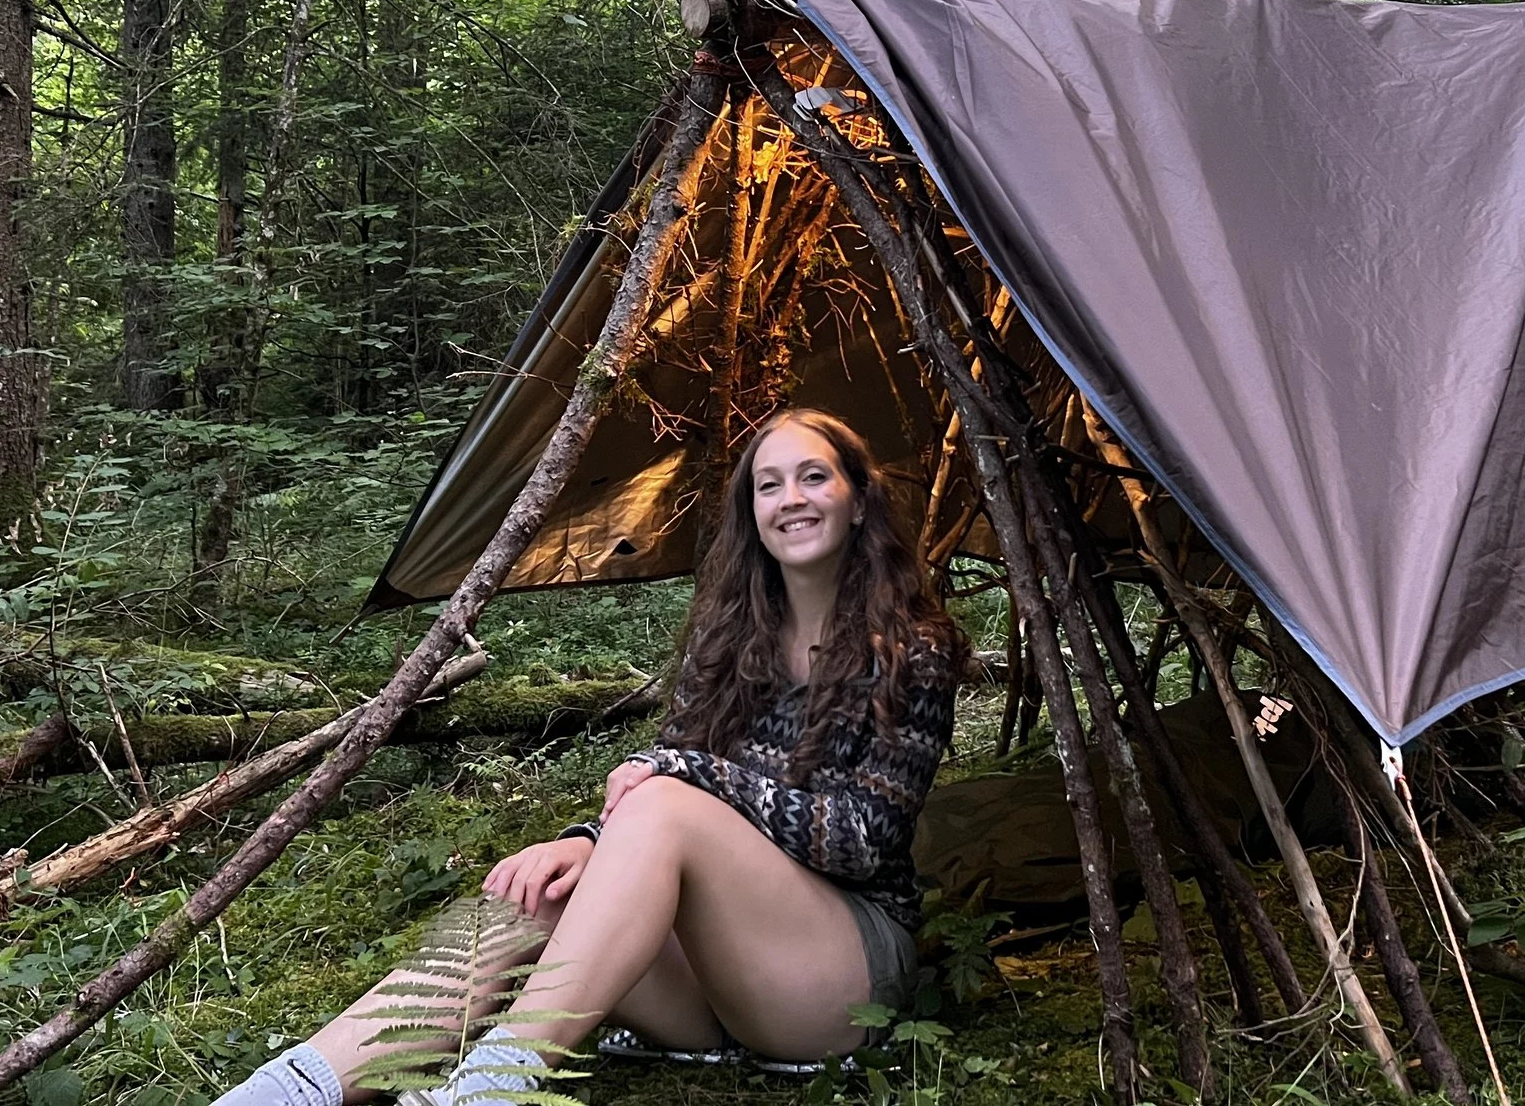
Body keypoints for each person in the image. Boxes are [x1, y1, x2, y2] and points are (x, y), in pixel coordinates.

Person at [214, 408, 967, 1106]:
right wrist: (581, 841)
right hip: (716, 986)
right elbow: (670, 782)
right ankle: (298, 1084)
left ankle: (491, 1089)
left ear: (858, 500)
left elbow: (866, 841)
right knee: (540, 885)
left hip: (835, 979)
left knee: (666, 801)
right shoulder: (731, 644)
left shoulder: (913, 648)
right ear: (754, 518)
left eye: (813, 476)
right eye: (769, 486)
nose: (791, 499)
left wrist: (692, 778)